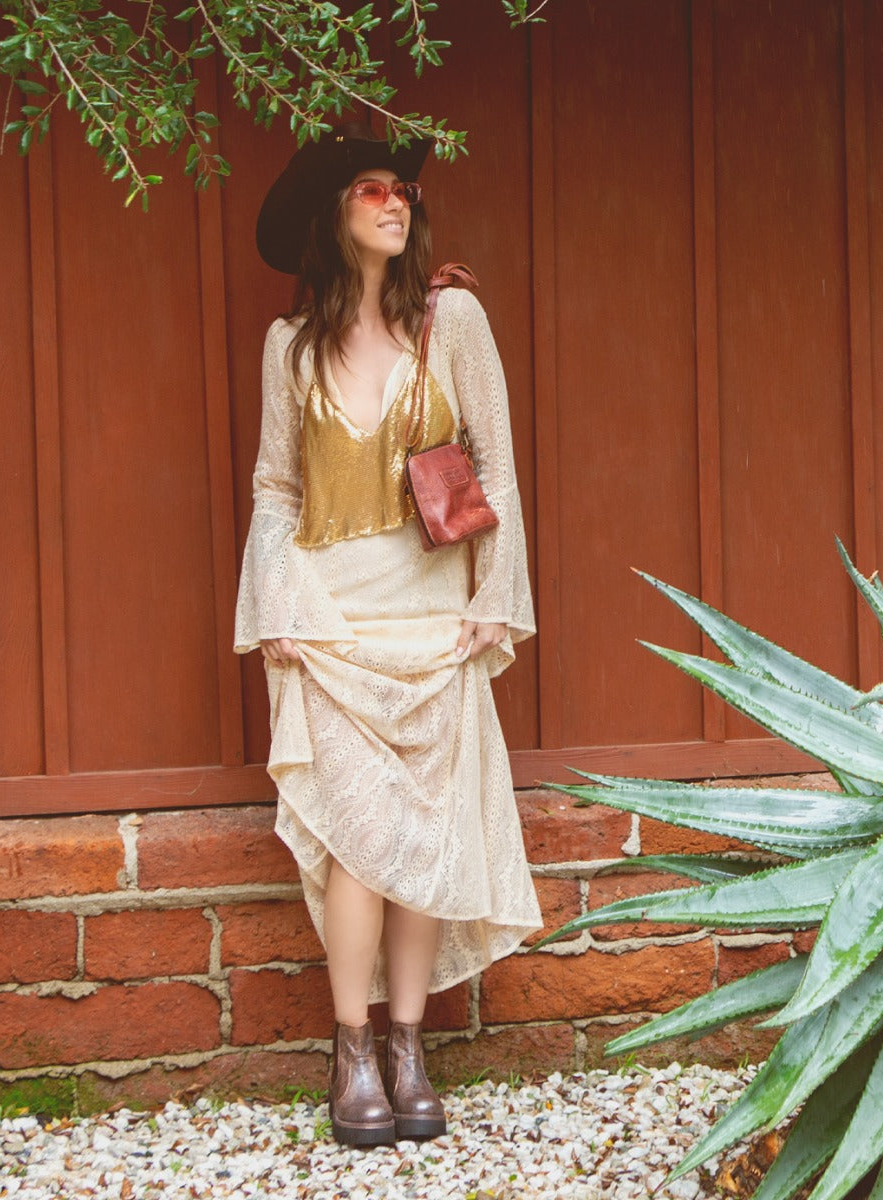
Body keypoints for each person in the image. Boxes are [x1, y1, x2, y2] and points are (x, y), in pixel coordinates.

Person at [235, 122, 541, 1148]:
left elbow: (494, 468)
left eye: (400, 186)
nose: (392, 200)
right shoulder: (290, 347)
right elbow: (276, 488)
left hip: (432, 622)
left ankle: (410, 1046)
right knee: (356, 851)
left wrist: (492, 597)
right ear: (333, 215)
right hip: (331, 623)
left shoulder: (453, 320)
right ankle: (351, 1046)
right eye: (369, 188)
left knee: (425, 841)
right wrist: (276, 601)